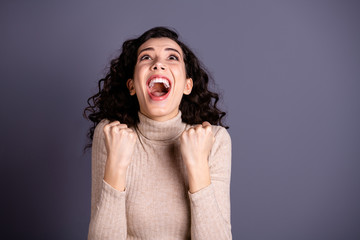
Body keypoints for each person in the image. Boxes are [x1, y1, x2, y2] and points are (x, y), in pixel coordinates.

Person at [84, 26, 232, 239]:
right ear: (132, 85)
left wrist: (197, 165)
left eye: (172, 57)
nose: (158, 64)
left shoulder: (214, 139)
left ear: (187, 85)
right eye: (146, 57)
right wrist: (116, 164)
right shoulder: (110, 134)